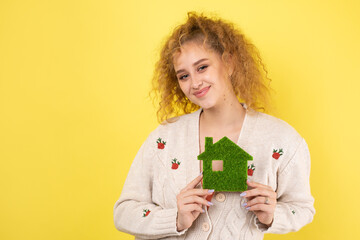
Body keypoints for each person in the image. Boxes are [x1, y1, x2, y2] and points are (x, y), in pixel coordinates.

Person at [113, 11, 315, 240]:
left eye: (202, 67)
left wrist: (272, 215)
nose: (195, 83)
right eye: (183, 76)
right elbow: (123, 212)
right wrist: (175, 219)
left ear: (228, 62)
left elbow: (303, 208)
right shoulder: (165, 138)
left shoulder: (281, 140)